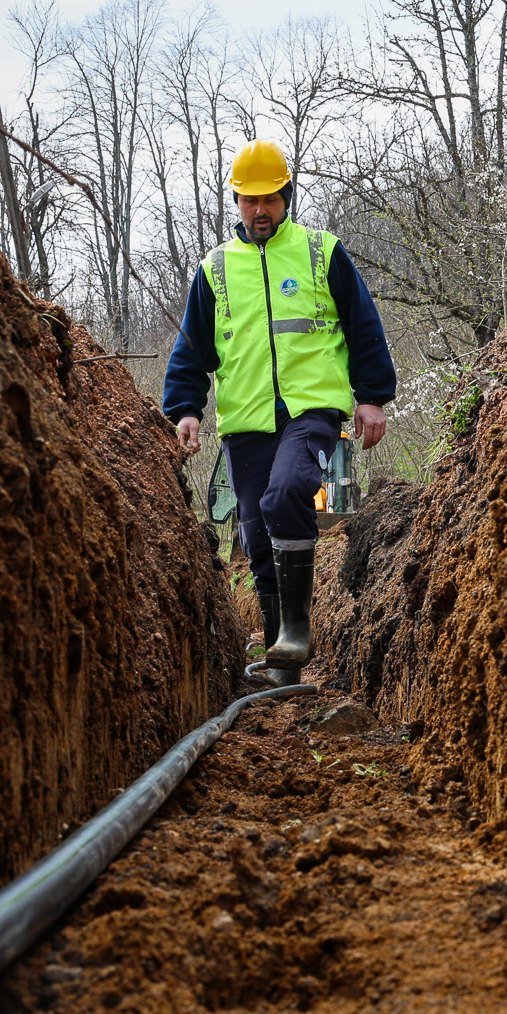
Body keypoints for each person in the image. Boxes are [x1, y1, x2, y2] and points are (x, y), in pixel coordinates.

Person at [164, 139, 396, 684]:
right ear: (237, 203)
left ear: (286, 196)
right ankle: (280, 660)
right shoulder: (215, 269)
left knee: (286, 492)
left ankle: (297, 632)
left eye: (270, 198)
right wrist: (185, 409)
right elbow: (193, 348)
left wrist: (371, 396)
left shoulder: (322, 251)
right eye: (250, 201)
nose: (261, 210)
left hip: (310, 407)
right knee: (253, 529)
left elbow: (363, 326)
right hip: (246, 420)